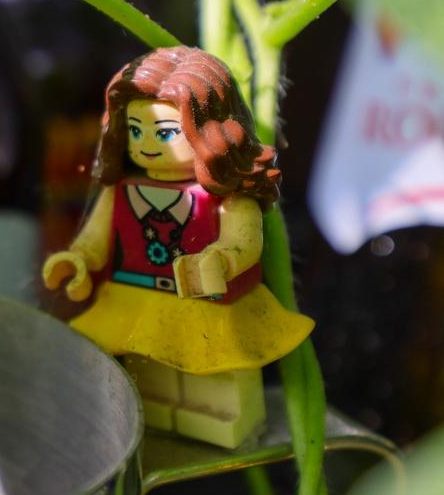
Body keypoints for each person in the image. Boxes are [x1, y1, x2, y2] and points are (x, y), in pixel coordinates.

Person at [42, 46, 313, 448]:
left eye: (166, 132)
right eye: (136, 131)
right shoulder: (120, 193)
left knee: (216, 375)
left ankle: (222, 421)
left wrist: (223, 260)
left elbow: (244, 243)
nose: (148, 143)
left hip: (206, 307)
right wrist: (78, 259)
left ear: (211, 132)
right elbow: (95, 240)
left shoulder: (227, 199)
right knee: (149, 374)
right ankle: (153, 417)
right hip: (137, 299)